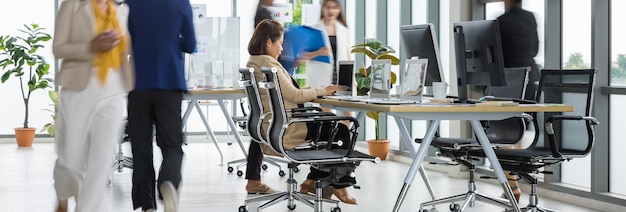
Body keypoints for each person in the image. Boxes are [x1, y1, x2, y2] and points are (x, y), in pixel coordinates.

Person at [247, 19, 360, 205]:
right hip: (288, 128)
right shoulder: (269, 64)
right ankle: (339, 184)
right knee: (339, 130)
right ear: (268, 42)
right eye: (280, 44)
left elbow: (285, 93)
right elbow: (295, 95)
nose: (281, 49)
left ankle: (312, 180)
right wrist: (324, 90)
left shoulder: (255, 62)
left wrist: (313, 89)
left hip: (271, 126)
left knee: (329, 124)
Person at [52, 0, 133, 211]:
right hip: (79, 88)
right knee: (70, 162)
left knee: (101, 160)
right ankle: (63, 195)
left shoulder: (120, 10)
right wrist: (91, 46)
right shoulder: (72, 6)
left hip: (113, 89)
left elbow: (125, 52)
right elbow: (58, 48)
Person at [126, 0, 196, 211]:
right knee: (172, 145)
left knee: (141, 148)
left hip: (138, 83)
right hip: (169, 82)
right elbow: (191, 44)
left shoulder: (131, 3)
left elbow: (126, 39)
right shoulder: (181, 3)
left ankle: (147, 205)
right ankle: (168, 182)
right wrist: (174, 40)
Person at [497, 0, 540, 203]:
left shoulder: (501, 21)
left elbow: (496, 54)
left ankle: (511, 185)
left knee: (505, 133)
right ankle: (513, 181)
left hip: (508, 80)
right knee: (520, 129)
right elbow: (535, 48)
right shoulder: (530, 18)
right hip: (530, 77)